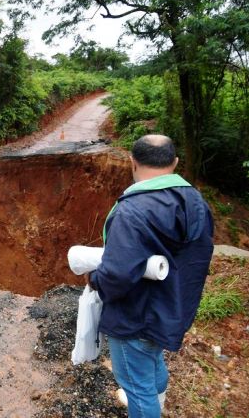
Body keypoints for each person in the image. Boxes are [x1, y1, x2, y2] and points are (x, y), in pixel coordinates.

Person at [87, 134, 214, 418]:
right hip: (171, 308)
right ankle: (159, 404)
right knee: (151, 363)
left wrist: (96, 280)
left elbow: (117, 275)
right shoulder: (195, 201)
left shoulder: (133, 210)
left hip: (135, 316)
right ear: (175, 162)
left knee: (136, 386)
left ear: (132, 162)